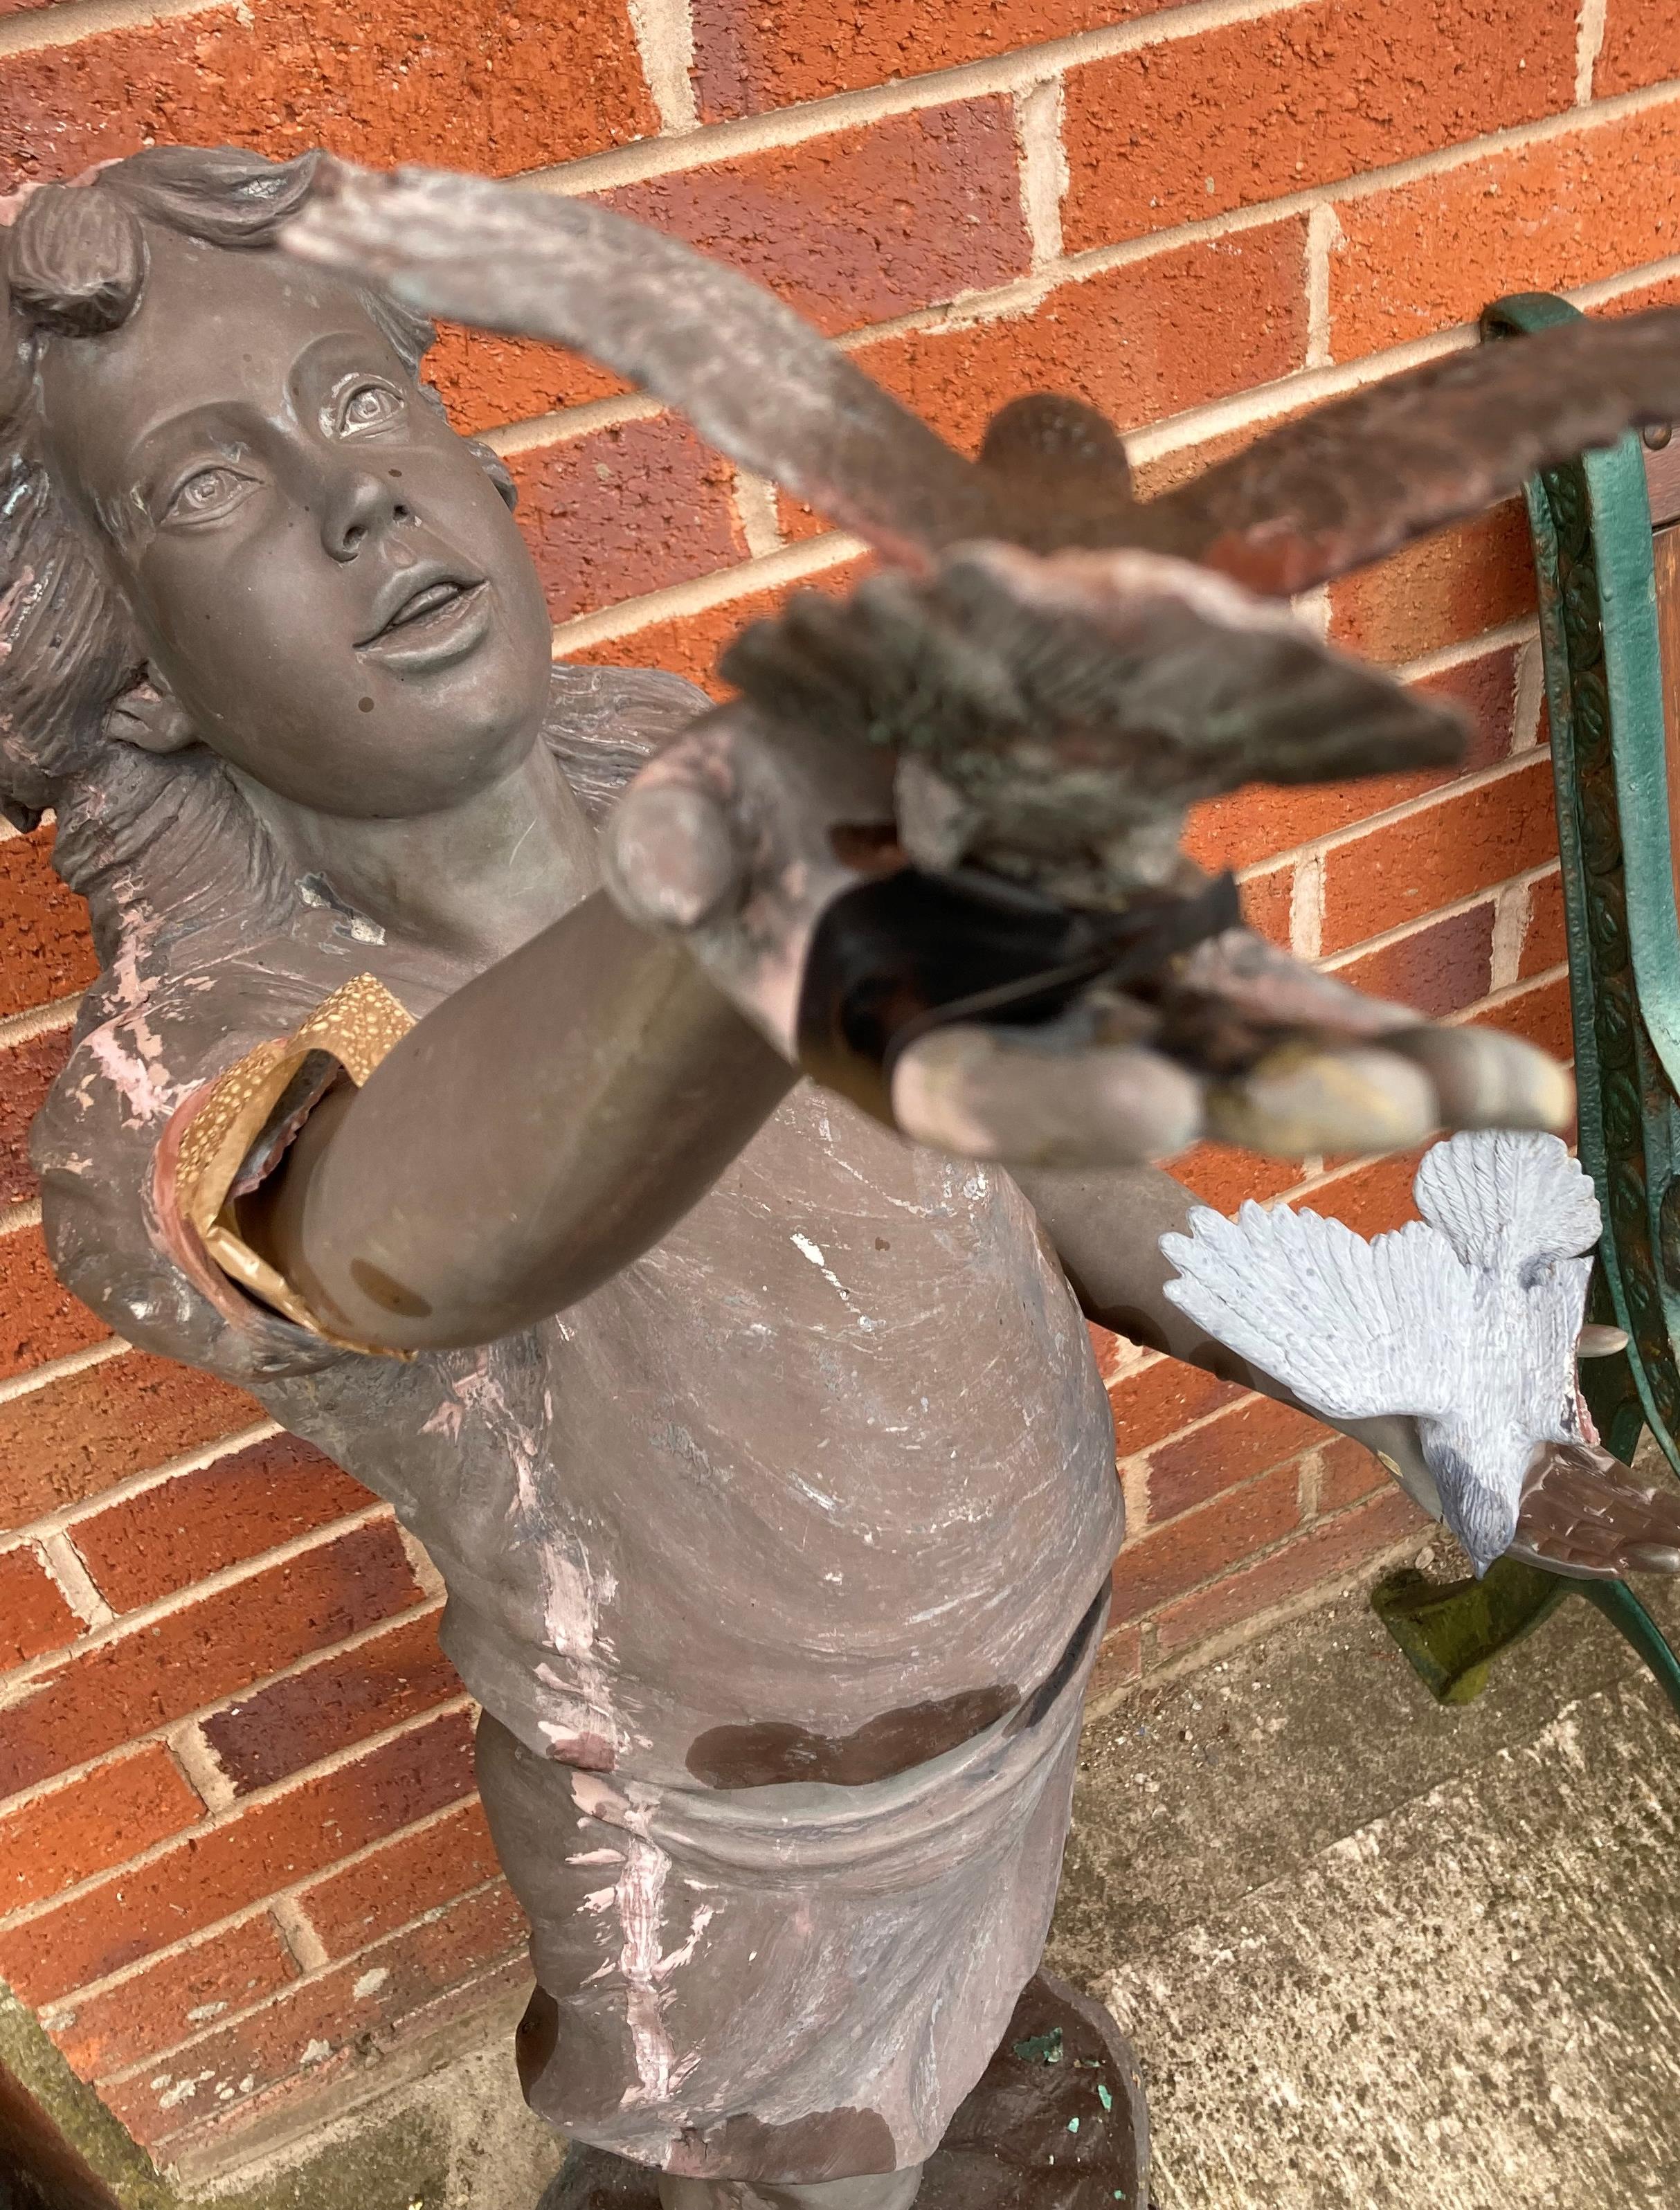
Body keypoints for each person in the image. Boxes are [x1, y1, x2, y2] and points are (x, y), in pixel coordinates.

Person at [1, 145, 1573, 2207]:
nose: (351, 493)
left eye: (366, 403)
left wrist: (1375, 1352)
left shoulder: (653, 750)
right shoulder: (189, 1067)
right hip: (737, 1853)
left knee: (963, 2021)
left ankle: (955, 2065)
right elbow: (402, 1229)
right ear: (124, 667)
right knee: (748, 2159)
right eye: (210, 491)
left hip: (1015, 1678)